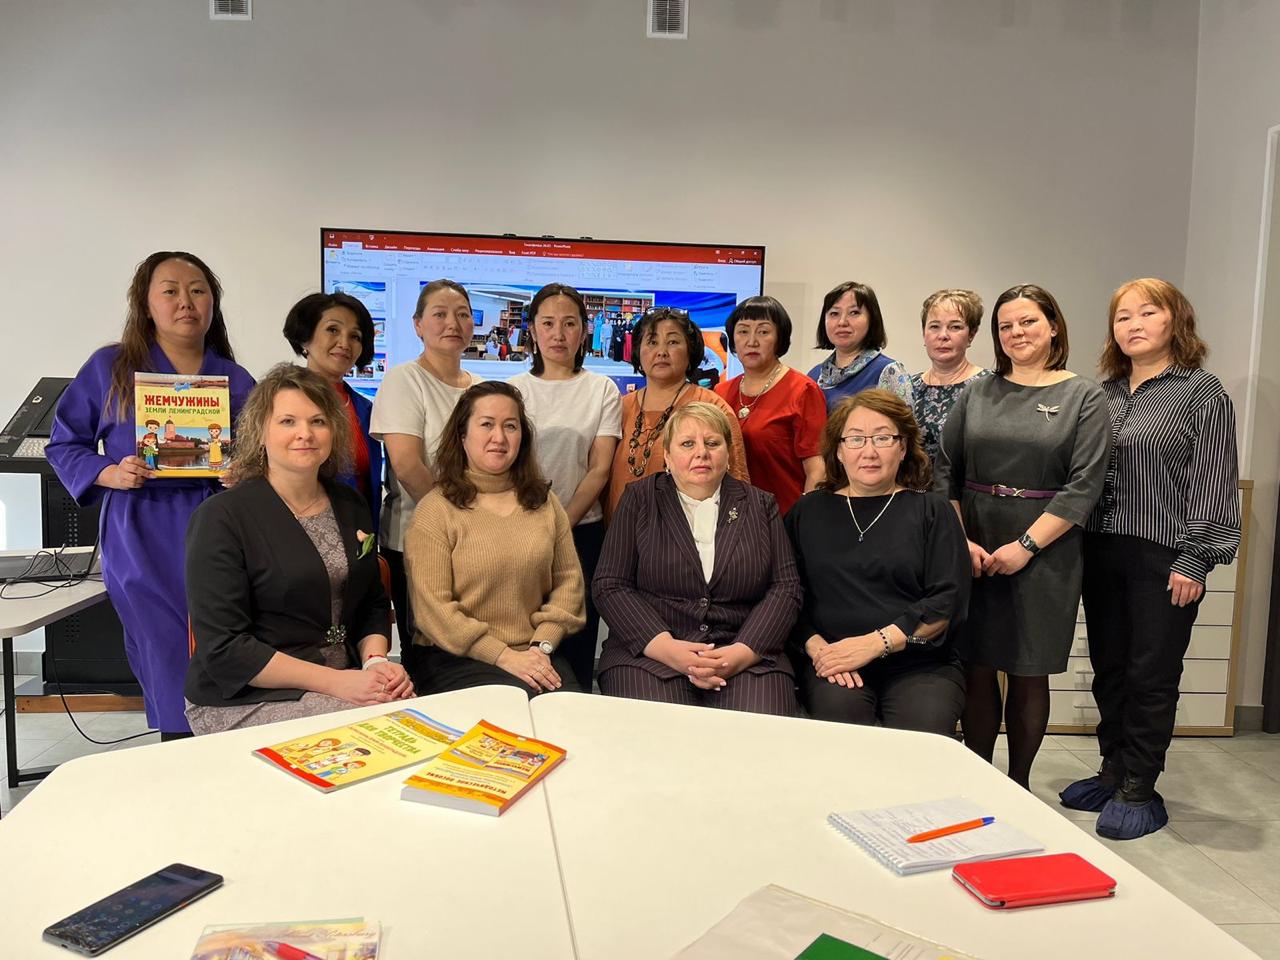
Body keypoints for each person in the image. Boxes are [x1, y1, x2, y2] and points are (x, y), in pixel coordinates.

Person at [1059, 279, 1241, 840]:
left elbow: (1214, 481)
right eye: (1122, 316)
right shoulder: (1102, 394)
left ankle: (1140, 783)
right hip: (1100, 549)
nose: (1133, 324)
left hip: (1164, 555)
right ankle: (1113, 768)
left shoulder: (1202, 393)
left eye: (1147, 312)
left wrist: (1195, 559)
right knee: (1110, 667)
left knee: (1151, 673)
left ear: (1174, 320)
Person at [46, 251, 255, 739]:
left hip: (220, 526)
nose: (186, 301)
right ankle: (177, 747)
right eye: (170, 290)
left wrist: (243, 472)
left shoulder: (236, 378)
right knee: (163, 648)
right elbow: (64, 444)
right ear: (145, 303)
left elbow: (263, 452)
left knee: (223, 637)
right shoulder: (110, 367)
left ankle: (229, 744)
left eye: (198, 290)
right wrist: (109, 472)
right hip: (141, 528)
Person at [937, 284, 1110, 789]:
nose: (1016, 332)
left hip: (1047, 549)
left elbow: (1084, 485)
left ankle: (1018, 784)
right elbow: (945, 469)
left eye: (1028, 321)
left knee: (1028, 669)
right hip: (975, 541)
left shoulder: (1083, 395)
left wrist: (1027, 546)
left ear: (1053, 326)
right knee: (976, 664)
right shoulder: (978, 391)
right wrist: (960, 541)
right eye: (1005, 325)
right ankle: (978, 779)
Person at [184, 365, 412, 734]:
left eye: (318, 421)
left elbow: (371, 600)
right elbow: (226, 648)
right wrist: (339, 683)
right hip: (247, 695)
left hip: (346, 679)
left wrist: (374, 663)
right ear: (260, 431)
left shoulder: (349, 503)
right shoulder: (221, 517)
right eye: (288, 421)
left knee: (409, 718)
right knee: (387, 728)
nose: (305, 433)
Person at [594, 403, 801, 714]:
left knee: (757, 729)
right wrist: (666, 648)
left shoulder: (760, 505)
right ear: (667, 456)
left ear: (729, 454)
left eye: (712, 443)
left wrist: (742, 652)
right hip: (650, 653)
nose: (701, 453)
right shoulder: (639, 499)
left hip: (743, 652)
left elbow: (785, 588)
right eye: (687, 444)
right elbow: (610, 584)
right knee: (661, 728)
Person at [785, 391, 969, 734]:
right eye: (856, 439)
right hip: (833, 657)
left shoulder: (933, 511)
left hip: (919, 662)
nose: (868, 452)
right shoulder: (806, 512)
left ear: (903, 448)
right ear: (839, 450)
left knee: (920, 734)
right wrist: (819, 649)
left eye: (883, 438)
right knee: (844, 727)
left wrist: (873, 644)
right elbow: (786, 594)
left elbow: (946, 600)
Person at [403, 381, 586, 697]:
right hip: (456, 656)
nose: (499, 437)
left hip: (536, 651)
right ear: (462, 435)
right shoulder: (435, 510)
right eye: (486, 424)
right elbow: (435, 610)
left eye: (510, 426)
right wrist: (503, 656)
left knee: (569, 716)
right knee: (513, 713)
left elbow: (569, 583)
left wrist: (541, 645)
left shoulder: (544, 502)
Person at [510, 283, 622, 691]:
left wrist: (559, 524)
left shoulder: (601, 389)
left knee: (574, 641)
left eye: (569, 324)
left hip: (581, 532)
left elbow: (599, 468)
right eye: (548, 323)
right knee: (520, 635)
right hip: (517, 528)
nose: (558, 334)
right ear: (532, 330)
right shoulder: (513, 390)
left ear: (584, 330)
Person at [369, 279, 476, 652]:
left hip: (473, 543)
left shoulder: (480, 388)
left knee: (472, 644)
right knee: (429, 652)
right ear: (417, 325)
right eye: (440, 314)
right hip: (417, 540)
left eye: (462, 314)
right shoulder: (404, 379)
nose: (453, 323)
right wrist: (455, 524)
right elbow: (407, 465)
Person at [604, 307, 748, 522]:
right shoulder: (619, 407)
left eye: (672, 342)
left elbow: (737, 484)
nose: (661, 351)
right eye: (652, 342)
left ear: (691, 352)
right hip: (620, 533)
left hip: (690, 537)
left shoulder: (711, 408)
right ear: (637, 352)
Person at [714, 295, 826, 515]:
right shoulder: (721, 392)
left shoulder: (802, 390)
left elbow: (818, 470)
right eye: (743, 331)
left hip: (784, 518)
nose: (751, 341)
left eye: (763, 332)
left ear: (779, 338)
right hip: (731, 519)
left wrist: (804, 521)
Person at [283, 292, 383, 531]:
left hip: (357, 536)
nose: (344, 343)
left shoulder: (366, 409)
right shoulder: (280, 400)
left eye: (355, 336)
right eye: (332, 330)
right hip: (297, 535)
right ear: (305, 338)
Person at [909, 289, 992, 465]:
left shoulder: (991, 387)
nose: (943, 335)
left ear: (971, 335)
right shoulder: (909, 386)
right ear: (924, 334)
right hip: (915, 482)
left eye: (955, 327)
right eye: (934, 326)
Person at [808, 281, 912, 412]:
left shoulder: (889, 373)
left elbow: (904, 424)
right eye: (834, 313)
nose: (842, 322)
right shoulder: (813, 376)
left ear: (872, 319)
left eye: (854, 312)